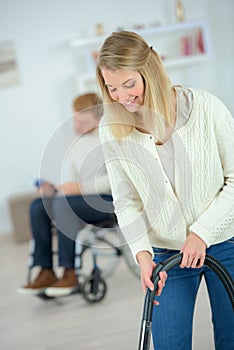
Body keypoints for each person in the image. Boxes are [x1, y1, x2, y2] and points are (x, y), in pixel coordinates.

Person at [96, 30, 234, 350]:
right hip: (166, 254)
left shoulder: (205, 107)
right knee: (170, 343)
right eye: (112, 88)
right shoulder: (112, 128)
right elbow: (126, 200)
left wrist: (201, 232)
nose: (121, 96)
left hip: (226, 241)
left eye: (129, 84)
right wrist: (143, 256)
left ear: (151, 70)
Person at [18, 92, 113, 297]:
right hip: (80, 199)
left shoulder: (112, 138)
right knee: (38, 205)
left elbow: (116, 180)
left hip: (109, 200)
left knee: (63, 205)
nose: (76, 126)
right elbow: (69, 181)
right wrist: (53, 187)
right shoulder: (76, 143)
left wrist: (79, 188)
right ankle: (45, 270)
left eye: (83, 122)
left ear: (98, 120)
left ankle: (70, 273)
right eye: (75, 120)